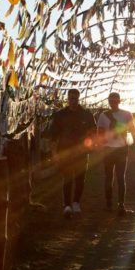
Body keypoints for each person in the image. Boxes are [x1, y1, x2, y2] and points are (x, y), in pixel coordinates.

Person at [46, 89, 96, 218]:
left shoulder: (86, 114)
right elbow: (53, 135)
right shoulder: (60, 115)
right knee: (67, 178)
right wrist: (54, 153)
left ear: (78, 98)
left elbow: (93, 131)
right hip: (65, 151)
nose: (73, 101)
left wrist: (89, 145)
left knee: (80, 178)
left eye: (75, 98)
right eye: (71, 98)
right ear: (68, 99)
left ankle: (76, 202)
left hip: (81, 151)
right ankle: (67, 205)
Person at [96, 92, 135, 215]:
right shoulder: (103, 116)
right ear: (109, 102)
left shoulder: (126, 114)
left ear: (119, 101)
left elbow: (133, 131)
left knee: (120, 178)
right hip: (109, 149)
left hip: (120, 149)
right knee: (110, 177)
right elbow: (99, 134)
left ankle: (120, 204)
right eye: (111, 101)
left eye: (115, 101)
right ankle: (110, 203)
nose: (113, 103)